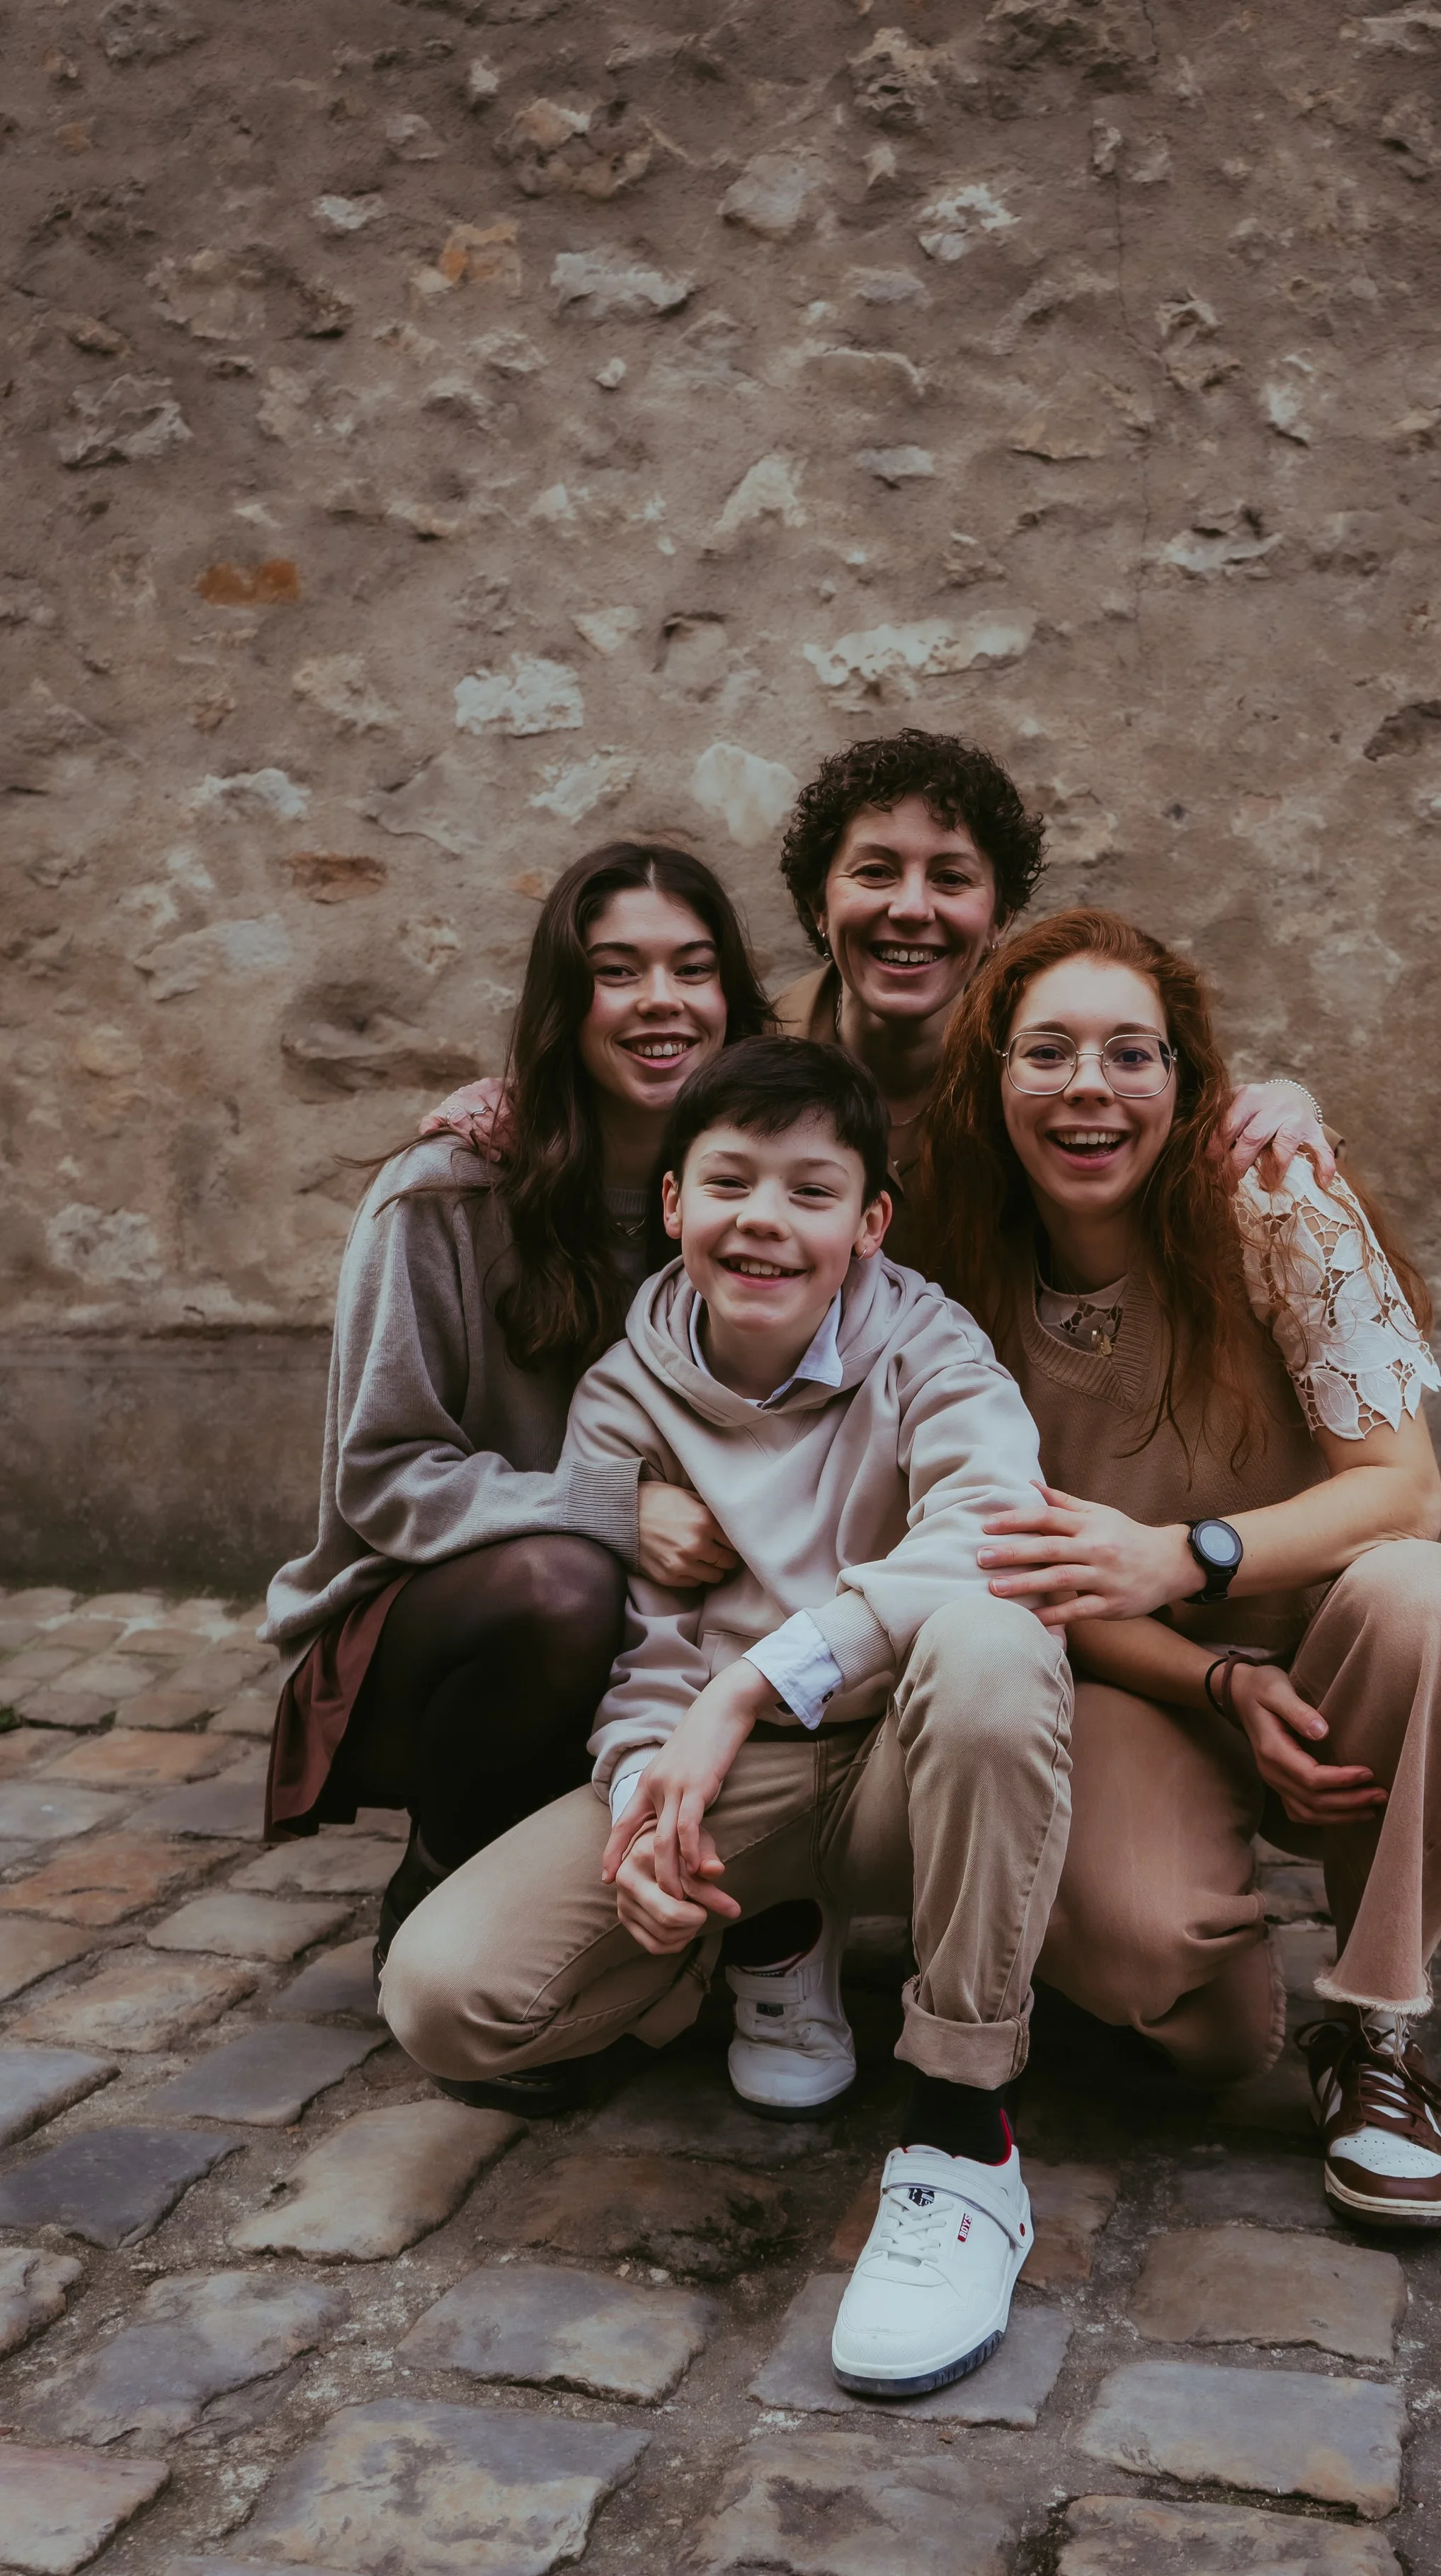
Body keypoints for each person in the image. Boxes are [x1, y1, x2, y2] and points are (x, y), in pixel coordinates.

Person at [380, 1036, 1071, 2397]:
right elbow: (643, 1652)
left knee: (996, 1644)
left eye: (813, 1191)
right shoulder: (626, 1391)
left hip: (899, 1768)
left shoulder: (929, 1341)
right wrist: (648, 1794)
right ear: (678, 1208)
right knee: (445, 1998)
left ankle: (960, 2128)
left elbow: (994, 1534)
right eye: (733, 1184)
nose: (767, 1220)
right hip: (733, 1785)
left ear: (869, 1224)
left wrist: (756, 1684)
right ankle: (753, 1932)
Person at [918, 908, 1441, 2228]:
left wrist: (1185, 1556)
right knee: (1181, 2020)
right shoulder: (951, 1271)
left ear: (1190, 1087)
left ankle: (1375, 2036)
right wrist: (1216, 1678)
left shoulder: (1278, 1209)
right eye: (1049, 1054)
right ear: (992, 1082)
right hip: (1144, 1683)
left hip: (1332, 1659)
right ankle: (1183, 1930)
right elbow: (1019, 1571)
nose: (1091, 1088)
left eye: (1131, 1055)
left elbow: (1403, 1491)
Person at [261, 843, 768, 2060]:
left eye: (694, 970)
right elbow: (381, 1477)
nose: (663, 1001)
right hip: (444, 1642)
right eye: (618, 971)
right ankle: (437, 1879)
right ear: (565, 1002)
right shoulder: (438, 1200)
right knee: (564, 1583)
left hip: (667, 1640)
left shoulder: (756, 1208)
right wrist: (604, 1509)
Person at [772, 728, 1335, 1242]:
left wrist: (1288, 1103)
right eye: (875, 872)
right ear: (819, 903)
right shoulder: (748, 1046)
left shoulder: (1047, 1057)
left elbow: (1204, 1134)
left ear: (1000, 919)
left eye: (951, 878)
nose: (913, 908)